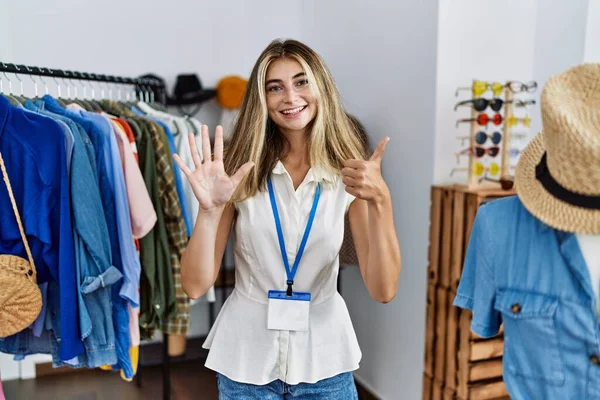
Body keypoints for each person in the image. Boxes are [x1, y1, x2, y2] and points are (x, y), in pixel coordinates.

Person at [173, 38, 402, 399]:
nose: (290, 97)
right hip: (246, 361)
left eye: (301, 82)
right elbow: (195, 286)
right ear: (261, 99)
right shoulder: (239, 171)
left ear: (321, 87)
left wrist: (382, 201)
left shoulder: (349, 174)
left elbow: (383, 290)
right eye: (274, 87)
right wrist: (208, 212)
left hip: (325, 360)